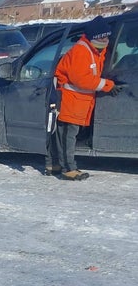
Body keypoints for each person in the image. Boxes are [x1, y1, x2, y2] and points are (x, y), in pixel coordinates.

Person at [51, 16, 122, 181]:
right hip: (71, 100)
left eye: (107, 36)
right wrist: (107, 85)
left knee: (68, 135)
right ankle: (68, 168)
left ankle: (57, 164)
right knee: (67, 135)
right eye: (102, 37)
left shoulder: (96, 50)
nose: (106, 39)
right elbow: (81, 79)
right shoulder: (81, 51)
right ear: (94, 37)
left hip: (79, 101)